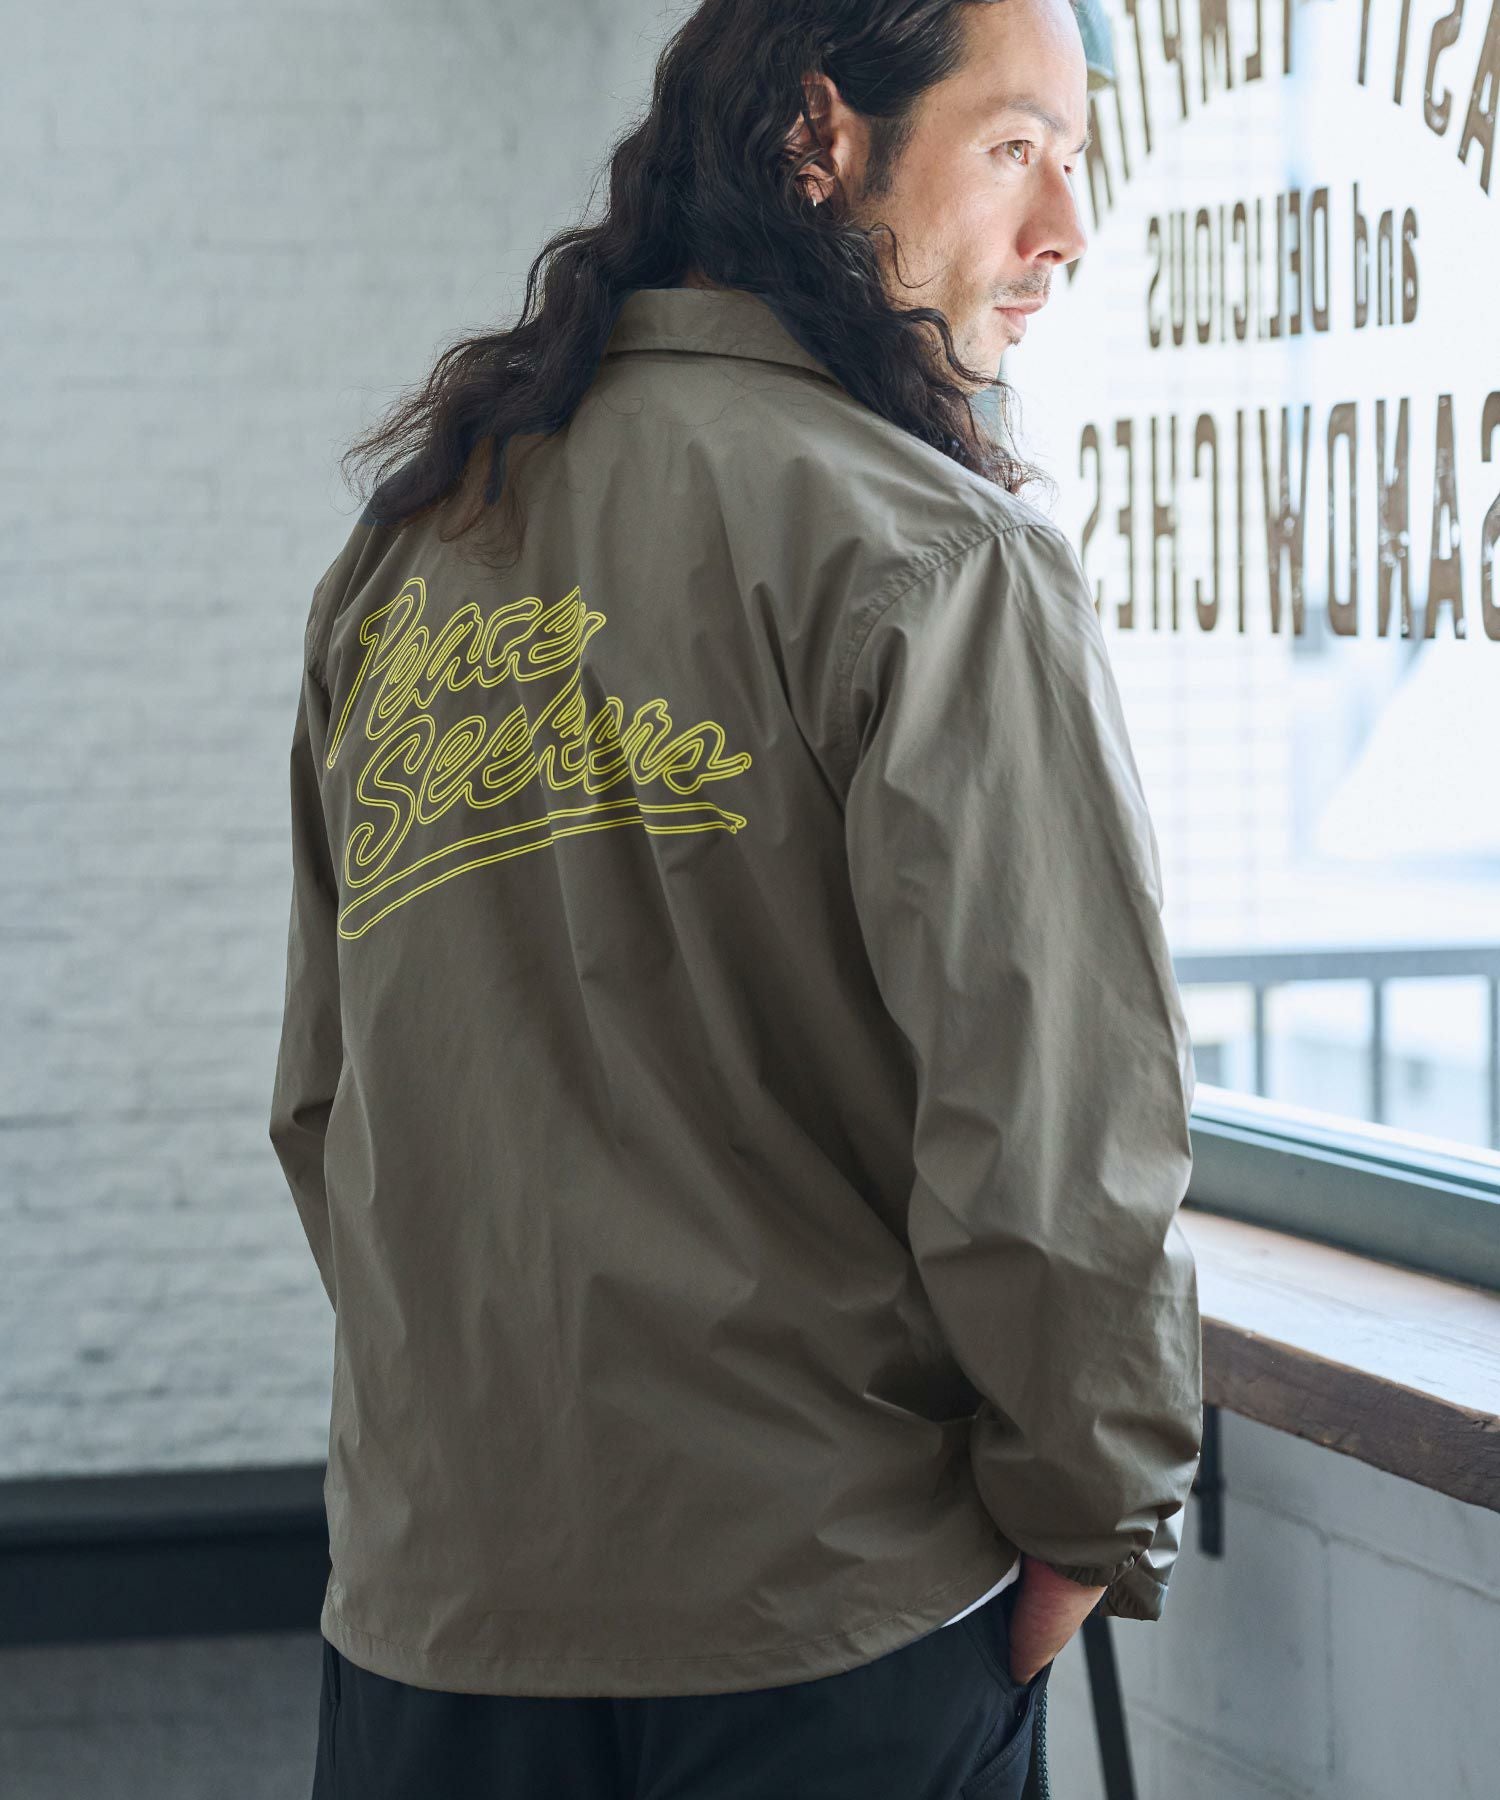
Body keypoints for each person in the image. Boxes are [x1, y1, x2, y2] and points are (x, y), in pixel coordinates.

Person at [269, 2, 1201, 1795]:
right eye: (1017, 149)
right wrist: (1092, 1520)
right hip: (823, 1627)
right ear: (821, 140)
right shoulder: (940, 555)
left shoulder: (406, 552)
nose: (1066, 229)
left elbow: (328, 1104)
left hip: (438, 1619)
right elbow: (1053, 1140)